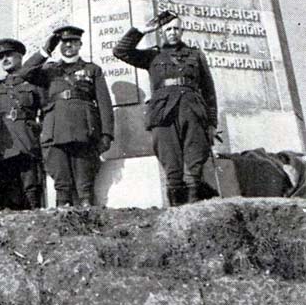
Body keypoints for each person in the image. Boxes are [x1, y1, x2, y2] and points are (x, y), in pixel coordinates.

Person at [113, 11, 217, 206]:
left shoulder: (195, 55)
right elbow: (120, 51)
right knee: (171, 164)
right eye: (168, 29)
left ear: (182, 31)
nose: (173, 32)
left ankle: (195, 208)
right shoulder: (153, 56)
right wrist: (141, 31)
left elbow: (209, 91)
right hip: (163, 113)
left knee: (194, 163)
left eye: (176, 28)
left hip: (192, 111)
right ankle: (175, 211)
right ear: (162, 32)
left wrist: (212, 123)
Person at [20, 26, 113, 208]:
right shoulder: (48, 71)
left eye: (73, 41)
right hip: (55, 132)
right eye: (64, 42)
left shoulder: (92, 70)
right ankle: (62, 227)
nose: (69, 45)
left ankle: (90, 226)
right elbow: (24, 72)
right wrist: (45, 50)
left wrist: (107, 134)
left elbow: (104, 103)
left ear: (80, 44)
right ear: (59, 45)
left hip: (84, 131)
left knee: (85, 187)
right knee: (62, 186)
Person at [0, 39, 44, 210]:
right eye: (1, 57)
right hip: (4, 144)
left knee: (31, 188)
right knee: (9, 193)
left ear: (20, 56)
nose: (5, 59)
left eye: (9, 55)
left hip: (27, 140)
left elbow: (47, 109)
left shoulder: (34, 84)